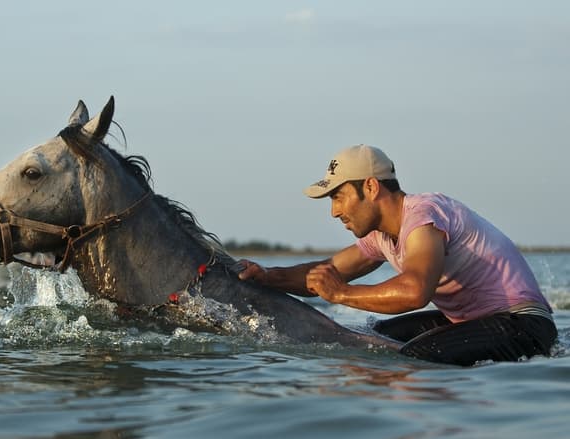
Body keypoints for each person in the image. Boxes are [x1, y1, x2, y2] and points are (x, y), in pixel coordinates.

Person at [238, 144, 557, 366]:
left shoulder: (423, 216)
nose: (334, 212)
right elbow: (326, 271)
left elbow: (416, 291)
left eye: (338, 197)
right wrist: (267, 277)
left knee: (417, 354)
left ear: (372, 188)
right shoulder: (382, 236)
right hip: (470, 320)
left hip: (523, 325)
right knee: (365, 336)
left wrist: (342, 294)